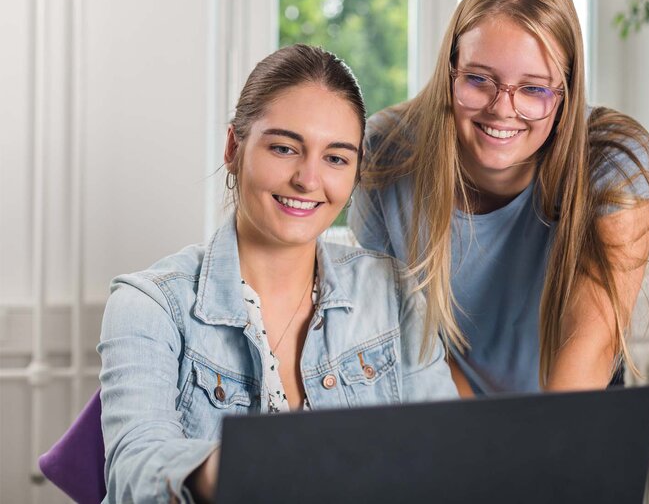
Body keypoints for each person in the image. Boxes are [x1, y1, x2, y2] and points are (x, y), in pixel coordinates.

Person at [98, 44, 457, 504]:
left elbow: (446, 461)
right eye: (285, 148)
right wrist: (249, 465)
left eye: (335, 158)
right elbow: (135, 469)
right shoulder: (148, 305)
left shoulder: (395, 292)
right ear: (234, 147)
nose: (308, 180)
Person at [349, 0, 649, 396]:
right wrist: (482, 442)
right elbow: (413, 341)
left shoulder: (614, 161)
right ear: (451, 71)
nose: (503, 109)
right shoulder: (386, 153)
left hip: (574, 402)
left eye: (534, 89)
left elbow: (592, 348)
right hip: (447, 398)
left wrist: (537, 453)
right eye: (479, 79)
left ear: (567, 95)